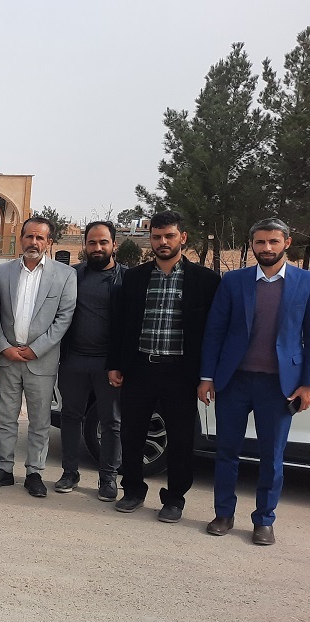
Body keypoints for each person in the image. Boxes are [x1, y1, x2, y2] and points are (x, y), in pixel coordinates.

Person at [198, 218, 310, 545]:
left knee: (272, 457)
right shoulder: (234, 281)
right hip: (234, 381)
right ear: (252, 245)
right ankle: (223, 514)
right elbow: (215, 331)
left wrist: (306, 384)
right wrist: (207, 377)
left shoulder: (305, 282)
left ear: (287, 243)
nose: (267, 248)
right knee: (226, 451)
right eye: (260, 242)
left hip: (279, 386)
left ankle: (264, 520)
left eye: (273, 241)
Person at [108, 210, 220, 523]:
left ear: (182, 237)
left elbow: (214, 332)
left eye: (169, 236)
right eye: (157, 237)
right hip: (140, 369)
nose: (163, 242)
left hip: (181, 373)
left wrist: (207, 376)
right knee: (132, 434)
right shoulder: (135, 278)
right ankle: (132, 490)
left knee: (182, 439)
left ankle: (174, 499)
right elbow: (120, 325)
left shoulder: (205, 281)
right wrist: (114, 364)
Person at [0, 217, 76, 497]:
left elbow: (64, 318)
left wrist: (37, 348)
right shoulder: (4, 272)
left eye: (40, 238)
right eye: (29, 237)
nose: (33, 242)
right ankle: (3, 468)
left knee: (39, 421)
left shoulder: (65, 275)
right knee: (4, 417)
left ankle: (34, 472)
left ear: (49, 242)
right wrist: (3, 346)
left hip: (41, 360)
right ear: (21, 238)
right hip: (8, 357)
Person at [56, 221, 126, 501]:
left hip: (108, 365)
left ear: (114, 245)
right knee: (70, 417)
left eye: (103, 242)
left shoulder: (126, 279)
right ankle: (69, 473)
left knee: (111, 422)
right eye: (92, 242)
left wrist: (120, 363)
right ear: (84, 245)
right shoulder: (72, 276)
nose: (97, 247)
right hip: (73, 360)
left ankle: (108, 478)